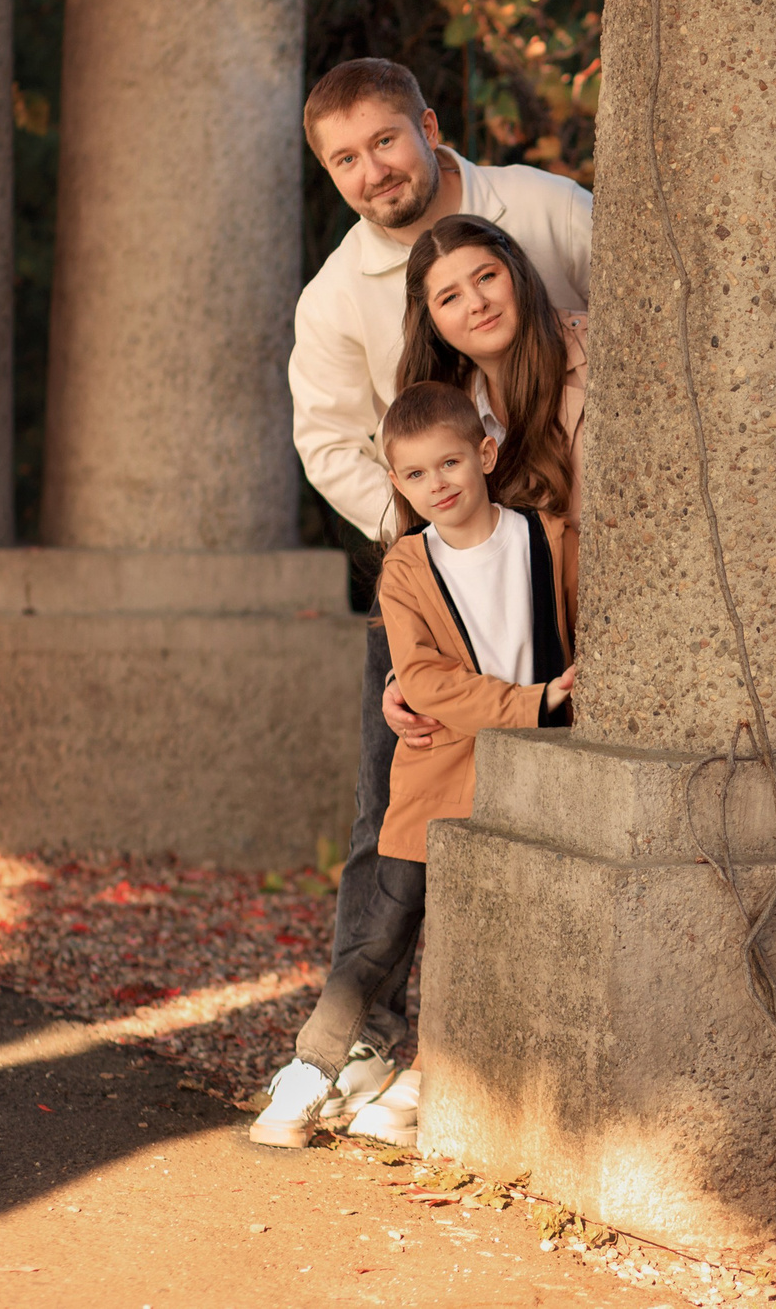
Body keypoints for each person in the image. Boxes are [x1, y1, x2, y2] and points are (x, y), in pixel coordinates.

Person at [252, 58, 589, 1148]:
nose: (370, 171)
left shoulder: (535, 209)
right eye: (343, 160)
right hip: (435, 573)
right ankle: (357, 1035)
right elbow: (327, 441)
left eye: (383, 143)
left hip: (560, 564)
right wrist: (427, 543)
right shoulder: (335, 295)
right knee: (392, 805)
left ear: (428, 128)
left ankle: (467, 1054)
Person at [254, 382, 579, 1149]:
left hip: (530, 783)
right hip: (434, 773)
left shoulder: (550, 538)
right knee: (381, 934)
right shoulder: (405, 566)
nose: (439, 483)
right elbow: (425, 681)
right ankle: (310, 1071)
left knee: (477, 941)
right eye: (417, 474)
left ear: (485, 454)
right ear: (395, 484)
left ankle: (419, 1087)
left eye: (451, 462)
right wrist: (535, 702)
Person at [398, 213, 588, 524]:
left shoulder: (598, 354)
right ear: (431, 324)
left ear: (516, 271)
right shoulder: (444, 410)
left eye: (486, 277)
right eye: (450, 298)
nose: (476, 303)